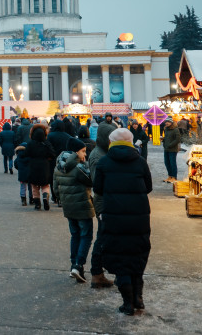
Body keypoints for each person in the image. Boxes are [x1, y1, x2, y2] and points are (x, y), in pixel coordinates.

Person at [92, 128, 152, 315]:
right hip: (139, 217)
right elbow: (148, 187)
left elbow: (98, 189)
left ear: (111, 142)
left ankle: (127, 303)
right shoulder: (141, 162)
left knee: (120, 256)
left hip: (114, 217)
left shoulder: (103, 162)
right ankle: (138, 298)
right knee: (137, 253)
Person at [53, 138, 95, 283]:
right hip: (82, 206)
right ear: (76, 152)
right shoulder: (78, 168)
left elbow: (55, 190)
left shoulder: (58, 166)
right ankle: (78, 265)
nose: (85, 155)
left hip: (68, 207)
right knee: (86, 235)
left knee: (75, 235)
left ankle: (74, 266)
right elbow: (91, 181)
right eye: (83, 151)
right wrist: (86, 164)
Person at [87, 122, 115, 290]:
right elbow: (99, 182)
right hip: (102, 201)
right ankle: (97, 274)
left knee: (105, 237)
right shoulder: (98, 156)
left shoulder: (103, 152)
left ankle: (99, 273)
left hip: (105, 200)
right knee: (102, 238)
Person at [24, 124, 55, 210]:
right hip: (45, 166)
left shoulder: (30, 143)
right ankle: (45, 197)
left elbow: (25, 154)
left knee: (34, 186)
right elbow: (53, 154)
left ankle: (37, 204)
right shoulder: (46, 143)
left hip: (33, 165)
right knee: (45, 185)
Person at [14, 140, 32, 205]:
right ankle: (31, 199)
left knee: (22, 187)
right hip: (30, 174)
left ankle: (23, 200)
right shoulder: (30, 155)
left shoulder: (18, 156)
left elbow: (15, 164)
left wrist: (19, 169)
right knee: (31, 187)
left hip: (22, 174)